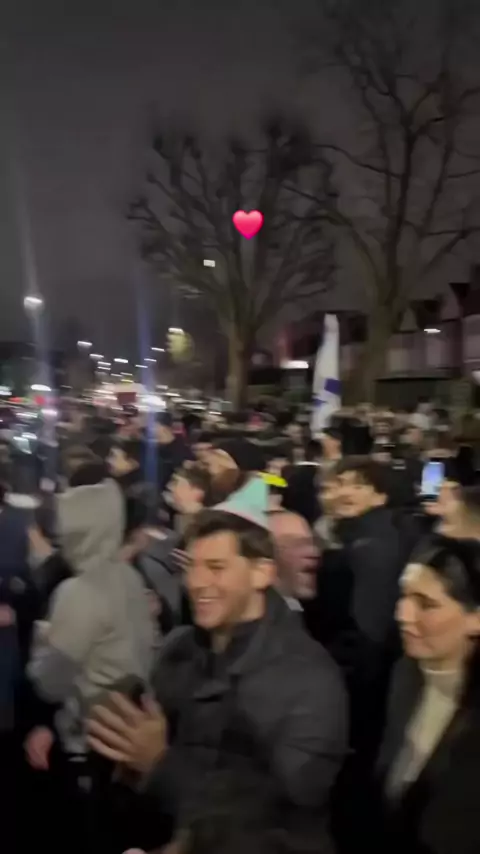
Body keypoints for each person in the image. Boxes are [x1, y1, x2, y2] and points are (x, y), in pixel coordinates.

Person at [88, 478, 347, 854]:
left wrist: (160, 763)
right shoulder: (179, 647)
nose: (196, 582)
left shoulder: (310, 680)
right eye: (192, 566)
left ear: (262, 573)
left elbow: (281, 817)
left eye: (216, 567)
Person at [374, 536, 480, 854]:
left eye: (426, 604)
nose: (402, 615)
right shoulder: (404, 673)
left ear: (475, 619)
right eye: (404, 596)